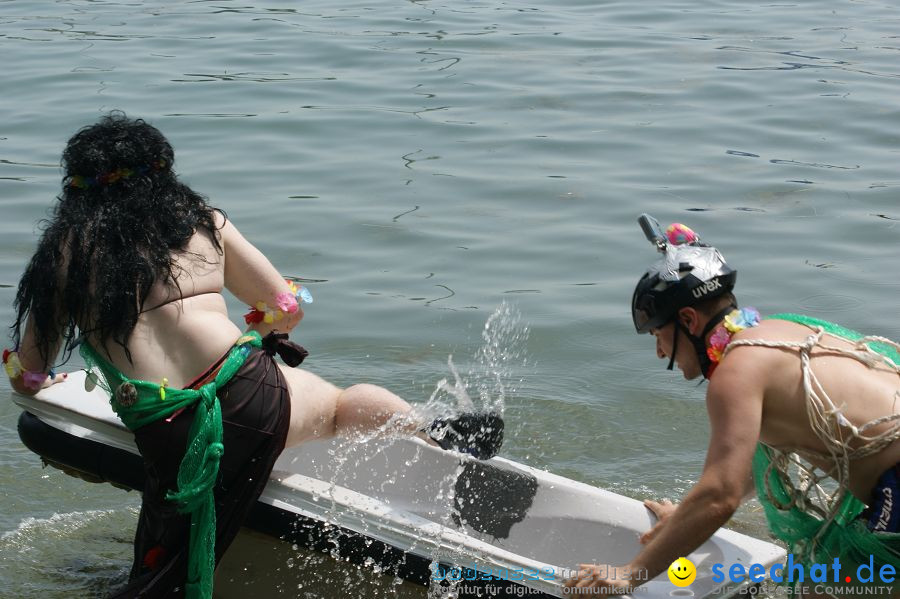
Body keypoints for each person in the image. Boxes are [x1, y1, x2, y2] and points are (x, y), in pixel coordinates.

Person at [4, 113, 503, 599]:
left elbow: (30, 371)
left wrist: (24, 373)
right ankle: (430, 427)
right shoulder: (204, 223)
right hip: (249, 389)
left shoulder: (65, 254)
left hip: (170, 421)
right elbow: (287, 303)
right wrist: (265, 332)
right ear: (164, 175)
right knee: (337, 408)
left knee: (159, 557)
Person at [565, 215, 900, 597]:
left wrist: (631, 574)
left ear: (688, 319)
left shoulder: (735, 374)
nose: (659, 353)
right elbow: (742, 473)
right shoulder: (779, 332)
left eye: (658, 335)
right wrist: (685, 521)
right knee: (818, 585)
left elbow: (719, 495)